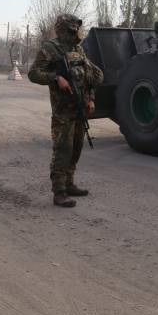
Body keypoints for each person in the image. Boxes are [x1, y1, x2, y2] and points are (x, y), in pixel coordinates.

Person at [28, 14, 103, 208]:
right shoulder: (50, 48)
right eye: (71, 29)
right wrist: (56, 78)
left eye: (76, 29)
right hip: (63, 111)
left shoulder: (78, 49)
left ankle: (69, 184)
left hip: (80, 108)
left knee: (76, 148)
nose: (75, 33)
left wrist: (91, 99)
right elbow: (33, 73)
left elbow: (89, 76)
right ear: (62, 29)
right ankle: (59, 192)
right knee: (63, 150)